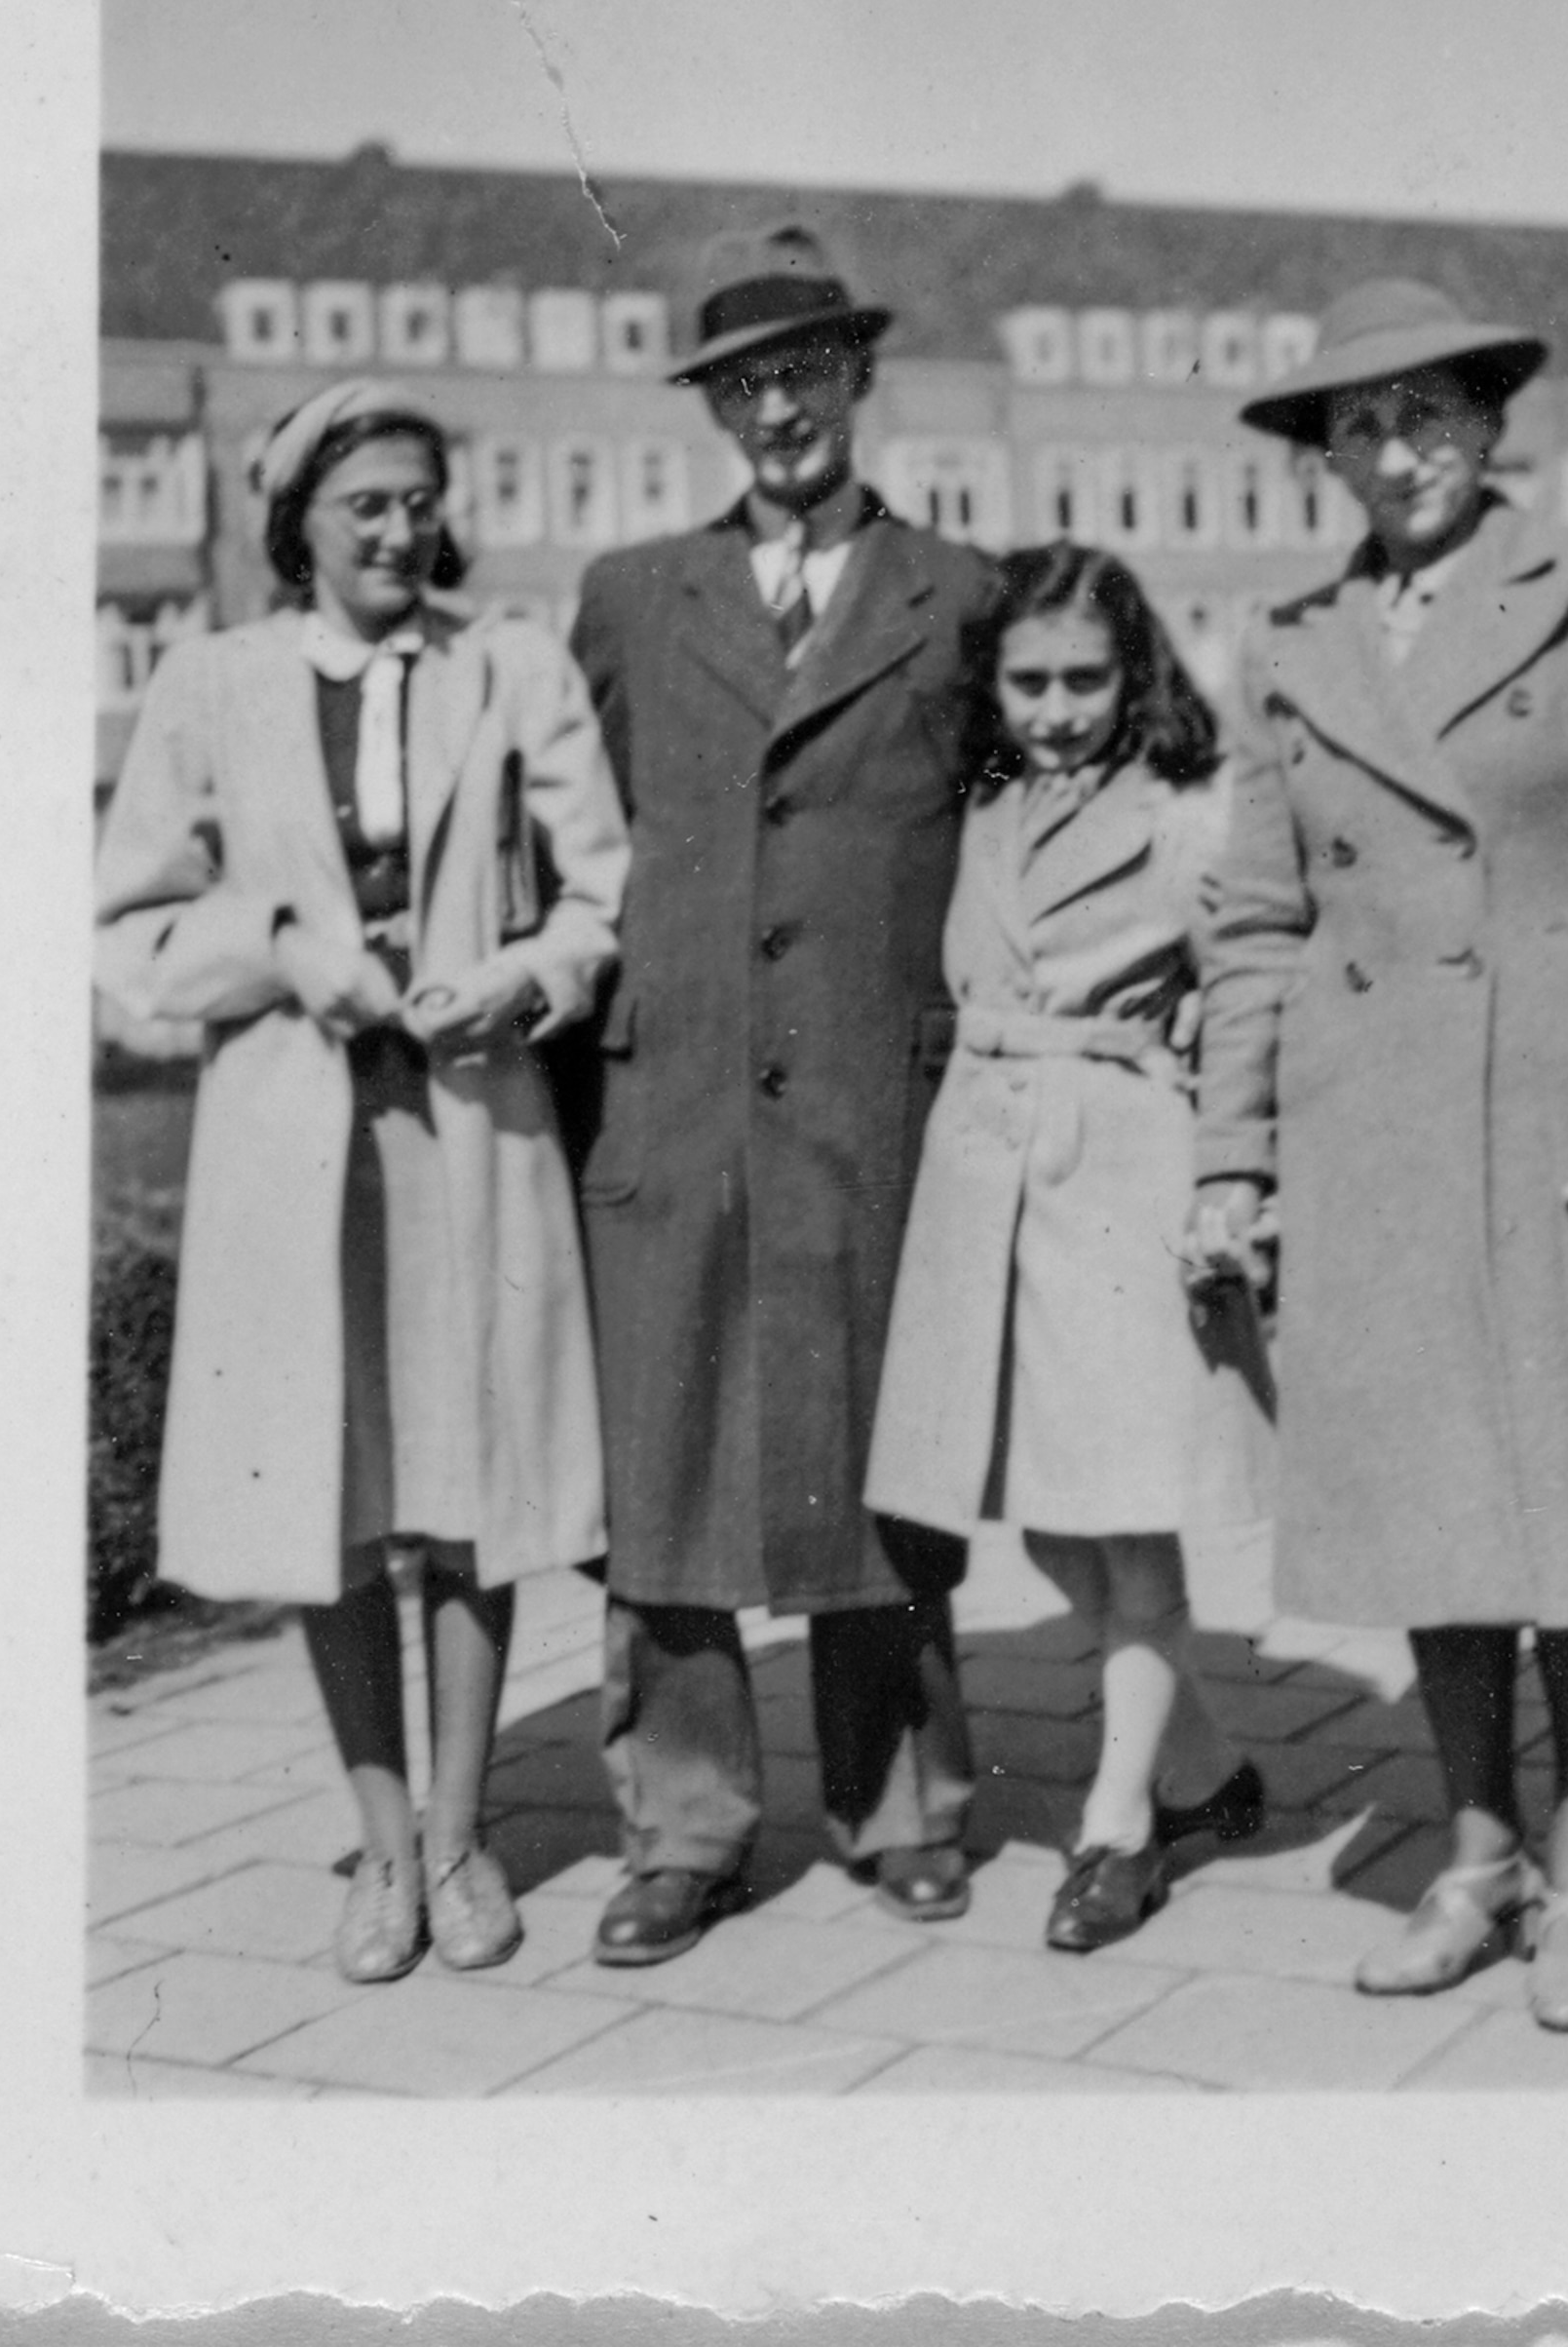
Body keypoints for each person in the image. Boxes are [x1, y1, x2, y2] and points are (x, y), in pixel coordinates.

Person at [1188, 276, 1568, 2033]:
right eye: (1360, 423)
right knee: (1433, 1508)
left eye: (1431, 411)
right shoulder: (1290, 648)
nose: (1399, 449)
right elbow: (1254, 924)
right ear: (1324, 456)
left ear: (1490, 425)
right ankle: (1476, 1858)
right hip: (1376, 1128)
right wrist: (1234, 1156)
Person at [96, 379, 630, 1985]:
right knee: (331, 1502)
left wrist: (524, 973)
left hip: (469, 1118)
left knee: (470, 1487)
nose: (401, 531)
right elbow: (127, 927)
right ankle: (382, 1849)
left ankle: (465, 1842)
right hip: (295, 1142)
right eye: (365, 507)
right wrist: (279, 950)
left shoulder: (507, 664)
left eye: (418, 500)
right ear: (297, 526)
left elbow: (604, 894)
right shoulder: (215, 680)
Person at [566, 224, 1000, 1968]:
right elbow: (569, 828)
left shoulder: (961, 597)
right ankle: (683, 1826)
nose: (778, 409)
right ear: (713, 409)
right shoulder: (626, 599)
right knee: (667, 1455)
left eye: (806, 372)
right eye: (743, 382)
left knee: (869, 1452)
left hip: (869, 1096)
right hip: (667, 1097)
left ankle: (902, 1805)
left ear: (860, 380)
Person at [865, 548, 1273, 1950]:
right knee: (1042, 1510)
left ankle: (1118, 1828)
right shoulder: (982, 809)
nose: (1054, 710)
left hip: (1116, 1168)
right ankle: (1208, 1762)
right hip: (984, 1176)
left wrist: (1232, 1179)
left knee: (1126, 1510)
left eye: (1084, 680)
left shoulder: (1182, 817)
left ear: (1136, 675)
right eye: (1028, 681)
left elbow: (1248, 1005)